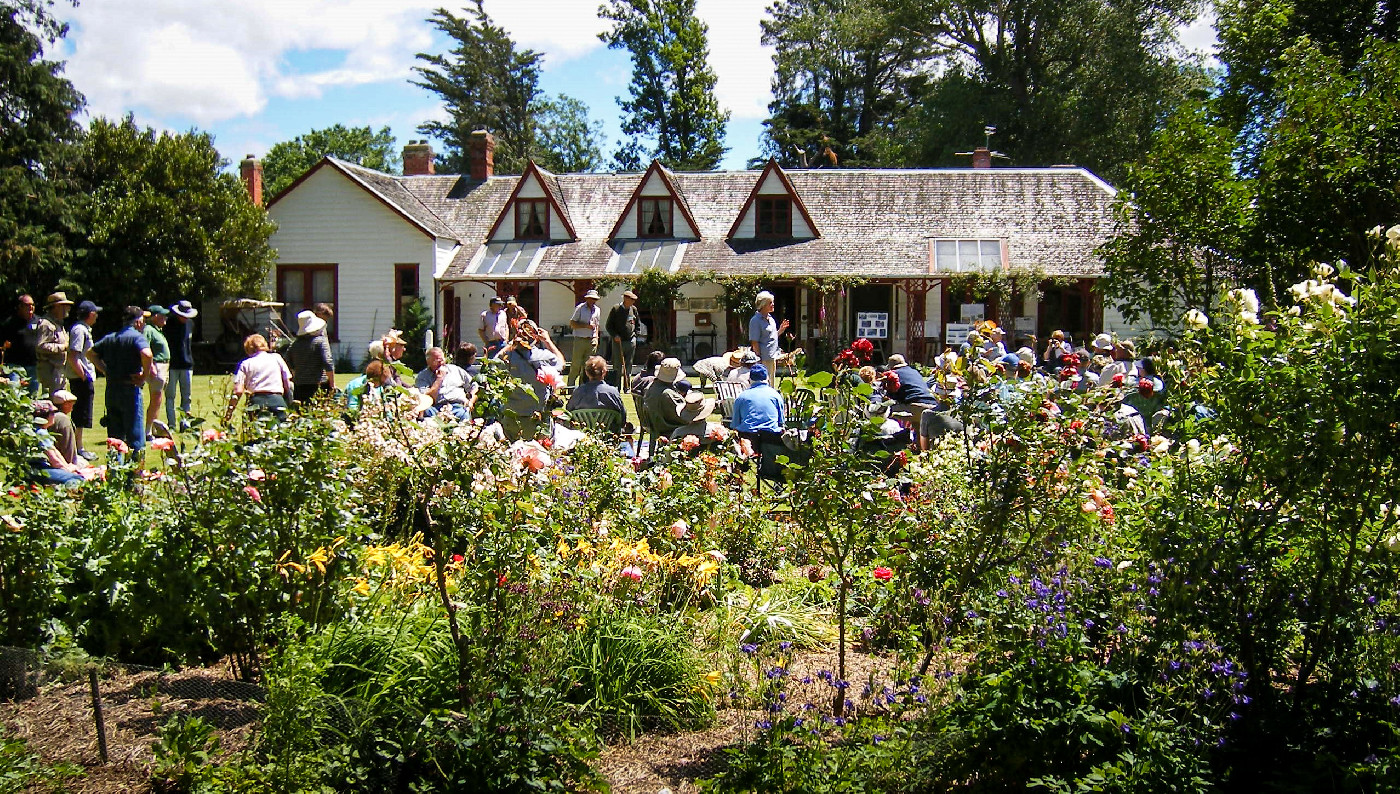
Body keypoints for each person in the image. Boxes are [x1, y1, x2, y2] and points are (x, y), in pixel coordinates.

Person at [91, 306, 153, 453]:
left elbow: (90, 353)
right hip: (130, 389)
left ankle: (115, 465)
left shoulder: (110, 338)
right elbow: (147, 354)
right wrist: (144, 375)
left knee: (115, 437)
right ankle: (136, 464)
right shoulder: (137, 337)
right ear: (137, 322)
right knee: (135, 435)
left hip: (112, 389)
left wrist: (105, 370)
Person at [497, 320, 565, 440]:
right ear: (535, 337)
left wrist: (510, 344)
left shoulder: (508, 357)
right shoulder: (544, 356)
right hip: (538, 416)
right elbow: (561, 363)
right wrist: (548, 341)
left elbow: (494, 364)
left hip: (513, 415)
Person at [225, 334, 293, 424]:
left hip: (256, 402)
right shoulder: (277, 358)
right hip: (277, 401)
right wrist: (289, 402)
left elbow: (238, 391)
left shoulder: (245, 364)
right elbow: (287, 384)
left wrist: (229, 413)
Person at [30, 399, 98, 486]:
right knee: (77, 479)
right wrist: (67, 470)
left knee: (75, 475)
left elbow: (55, 451)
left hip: (42, 467)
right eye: (53, 413)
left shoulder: (42, 430)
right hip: (38, 469)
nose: (55, 415)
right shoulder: (40, 433)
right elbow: (53, 459)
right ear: (44, 416)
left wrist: (66, 466)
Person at [68, 300, 100, 460]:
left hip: (82, 377)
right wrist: (84, 376)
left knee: (82, 414)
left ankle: (78, 447)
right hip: (80, 378)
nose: (97, 316)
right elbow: (73, 356)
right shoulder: (79, 330)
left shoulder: (83, 329)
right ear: (91, 314)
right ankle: (77, 448)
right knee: (80, 414)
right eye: (96, 313)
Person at [287, 309, 335, 404]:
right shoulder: (320, 341)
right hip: (318, 384)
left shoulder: (295, 344)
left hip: (299, 387)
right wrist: (332, 384)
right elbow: (328, 362)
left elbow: (288, 363)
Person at [415, 346, 473, 421]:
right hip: (436, 408)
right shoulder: (423, 376)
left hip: (457, 406)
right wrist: (439, 379)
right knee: (427, 411)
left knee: (464, 414)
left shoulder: (455, 370)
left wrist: (471, 401)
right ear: (428, 362)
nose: (441, 363)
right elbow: (426, 399)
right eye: (436, 360)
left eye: (442, 360)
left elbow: (474, 385)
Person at [165, 299, 198, 428]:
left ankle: (185, 424)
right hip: (172, 366)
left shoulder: (190, 324)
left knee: (187, 397)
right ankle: (172, 425)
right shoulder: (169, 324)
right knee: (170, 396)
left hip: (187, 365)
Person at [35, 292, 73, 394]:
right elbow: (41, 346)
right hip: (50, 371)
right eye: (65, 305)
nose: (68, 308)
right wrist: (63, 347)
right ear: (56, 307)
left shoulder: (58, 324)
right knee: (53, 401)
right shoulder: (46, 324)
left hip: (60, 370)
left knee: (61, 400)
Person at [142, 305, 171, 437]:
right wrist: (151, 365)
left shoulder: (157, 330)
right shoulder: (148, 329)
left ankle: (154, 429)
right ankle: (148, 431)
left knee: (158, 400)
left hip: (163, 367)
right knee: (156, 400)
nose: (165, 318)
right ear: (155, 317)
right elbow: (145, 347)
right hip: (157, 367)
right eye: (162, 315)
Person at [1, 294, 40, 392]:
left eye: (33, 304)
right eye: (28, 305)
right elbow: (2, 345)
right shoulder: (10, 323)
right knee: (14, 392)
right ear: (20, 307)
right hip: (15, 366)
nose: (31, 307)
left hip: (33, 365)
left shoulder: (39, 321)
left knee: (34, 394)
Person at [731, 363, 784, 434]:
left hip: (748, 436)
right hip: (772, 437)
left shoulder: (741, 397)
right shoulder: (776, 395)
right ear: (767, 378)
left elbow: (735, 424)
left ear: (749, 379)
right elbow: (781, 421)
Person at [605, 289, 640, 390]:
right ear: (625, 299)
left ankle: (627, 387)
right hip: (618, 341)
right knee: (617, 364)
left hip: (631, 341)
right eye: (631, 299)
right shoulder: (616, 309)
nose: (633, 301)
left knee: (628, 365)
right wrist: (614, 335)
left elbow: (637, 324)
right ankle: (616, 386)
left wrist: (635, 335)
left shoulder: (633, 309)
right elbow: (608, 325)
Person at [748, 290, 789, 375]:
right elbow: (755, 342)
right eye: (770, 303)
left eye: (773, 302)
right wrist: (759, 360)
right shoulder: (755, 321)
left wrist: (780, 330)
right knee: (765, 381)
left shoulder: (771, 319)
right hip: (763, 359)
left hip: (772, 357)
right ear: (763, 305)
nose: (773, 304)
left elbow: (770, 337)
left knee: (771, 381)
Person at [568, 289, 601, 386]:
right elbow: (572, 323)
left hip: (591, 341)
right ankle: (570, 387)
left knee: (588, 367)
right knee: (576, 365)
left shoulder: (597, 310)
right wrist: (586, 326)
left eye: (594, 299)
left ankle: (584, 387)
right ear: (587, 299)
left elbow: (597, 325)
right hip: (580, 339)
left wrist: (596, 338)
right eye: (591, 298)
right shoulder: (580, 308)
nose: (592, 301)